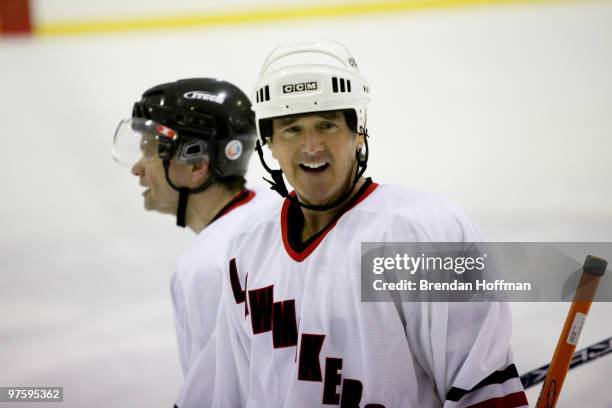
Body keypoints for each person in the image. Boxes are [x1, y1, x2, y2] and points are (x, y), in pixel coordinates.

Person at [213, 41, 528, 407]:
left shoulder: (422, 236)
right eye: (292, 129)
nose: (312, 146)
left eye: (327, 125)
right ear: (270, 143)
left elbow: (482, 389)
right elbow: (232, 392)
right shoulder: (247, 247)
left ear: (358, 132)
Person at [112, 78, 276, 408]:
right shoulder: (271, 205)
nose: (137, 169)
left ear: (198, 165)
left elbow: (216, 396)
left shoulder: (207, 267)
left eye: (149, 151)